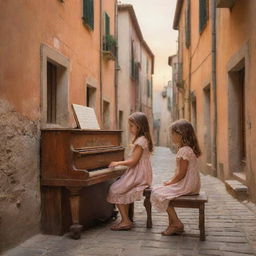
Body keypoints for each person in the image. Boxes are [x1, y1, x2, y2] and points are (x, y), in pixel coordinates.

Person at [151, 119, 201, 236]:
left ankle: (177, 223)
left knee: (159, 193)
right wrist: (170, 181)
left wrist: (171, 182)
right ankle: (173, 224)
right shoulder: (187, 149)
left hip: (187, 185)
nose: (171, 136)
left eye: (173, 134)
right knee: (160, 189)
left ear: (180, 135)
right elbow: (180, 172)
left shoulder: (184, 151)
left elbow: (181, 173)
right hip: (192, 184)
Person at [107, 112, 153, 231]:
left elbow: (133, 162)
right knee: (121, 187)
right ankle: (125, 218)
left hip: (138, 175)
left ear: (139, 126)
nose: (130, 129)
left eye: (131, 126)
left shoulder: (140, 141)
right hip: (141, 173)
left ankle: (126, 221)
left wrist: (118, 163)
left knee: (115, 189)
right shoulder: (143, 139)